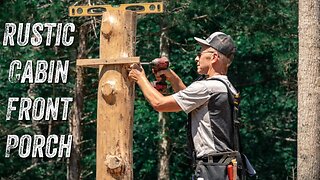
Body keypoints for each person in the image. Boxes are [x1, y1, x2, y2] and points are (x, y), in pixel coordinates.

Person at [129, 32, 240, 179]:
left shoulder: (207, 87)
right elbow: (192, 101)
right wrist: (172, 77)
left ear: (214, 57)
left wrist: (140, 77)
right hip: (221, 168)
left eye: (200, 53)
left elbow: (159, 103)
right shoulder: (225, 86)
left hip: (212, 169)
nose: (196, 58)